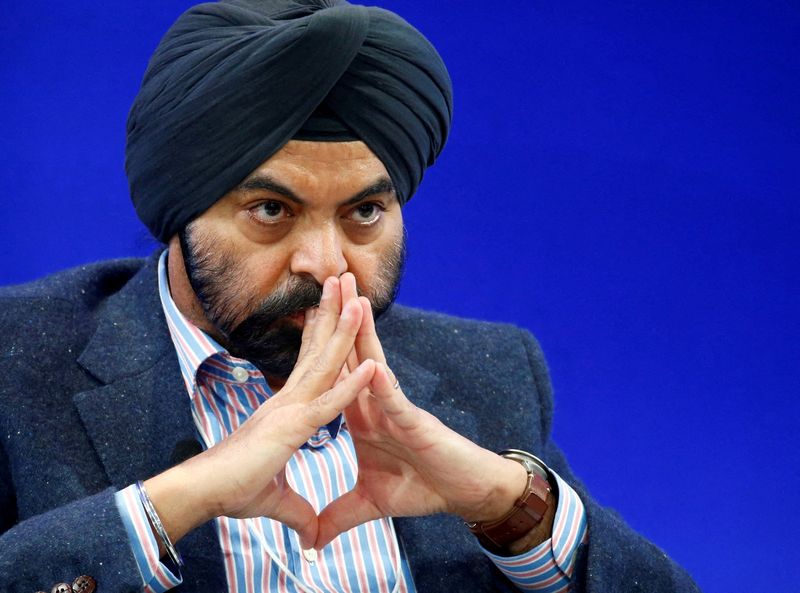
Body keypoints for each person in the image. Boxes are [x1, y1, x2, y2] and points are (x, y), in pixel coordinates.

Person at [0, 1, 700, 592]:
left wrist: (510, 506)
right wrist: (173, 502)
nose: (327, 263)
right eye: (271, 210)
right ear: (180, 211)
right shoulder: (17, 354)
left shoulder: (490, 370)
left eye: (364, 213)